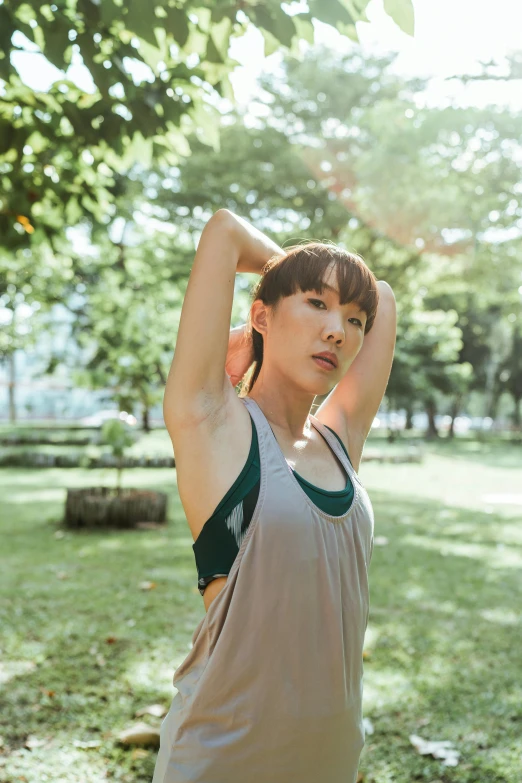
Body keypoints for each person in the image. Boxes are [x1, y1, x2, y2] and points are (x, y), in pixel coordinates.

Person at [153, 209, 397, 783]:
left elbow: (382, 297)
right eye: (316, 303)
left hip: (331, 761)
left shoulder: (340, 441)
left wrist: (319, 285)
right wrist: (288, 270)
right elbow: (224, 232)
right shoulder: (213, 424)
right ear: (260, 315)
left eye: (352, 320)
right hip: (224, 759)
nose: (339, 330)